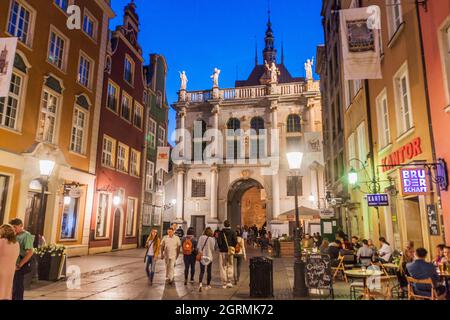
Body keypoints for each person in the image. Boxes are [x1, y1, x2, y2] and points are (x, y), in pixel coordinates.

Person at [10, 219, 34, 300]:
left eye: (15, 227)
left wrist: (19, 265)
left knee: (17, 286)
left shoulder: (26, 235)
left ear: (21, 225)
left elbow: (30, 252)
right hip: (13, 264)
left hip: (20, 264)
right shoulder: (14, 235)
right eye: (12, 227)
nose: (13, 229)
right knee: (12, 286)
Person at [0, 224, 20, 300]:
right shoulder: (16, 243)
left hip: (1, 269)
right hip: (10, 271)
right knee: (6, 292)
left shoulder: (1, 242)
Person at [216, 220, 237, 289]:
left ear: (224, 225)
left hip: (222, 251)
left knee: (223, 266)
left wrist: (221, 247)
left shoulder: (221, 232)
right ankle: (229, 281)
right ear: (229, 224)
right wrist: (232, 247)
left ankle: (224, 283)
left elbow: (219, 242)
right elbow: (235, 241)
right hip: (230, 252)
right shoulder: (233, 232)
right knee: (230, 265)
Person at [197, 227, 216, 292]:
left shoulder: (201, 237)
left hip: (202, 256)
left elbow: (198, 247)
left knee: (202, 271)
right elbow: (213, 249)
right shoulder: (212, 239)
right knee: (209, 271)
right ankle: (208, 285)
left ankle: (200, 284)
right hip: (209, 257)